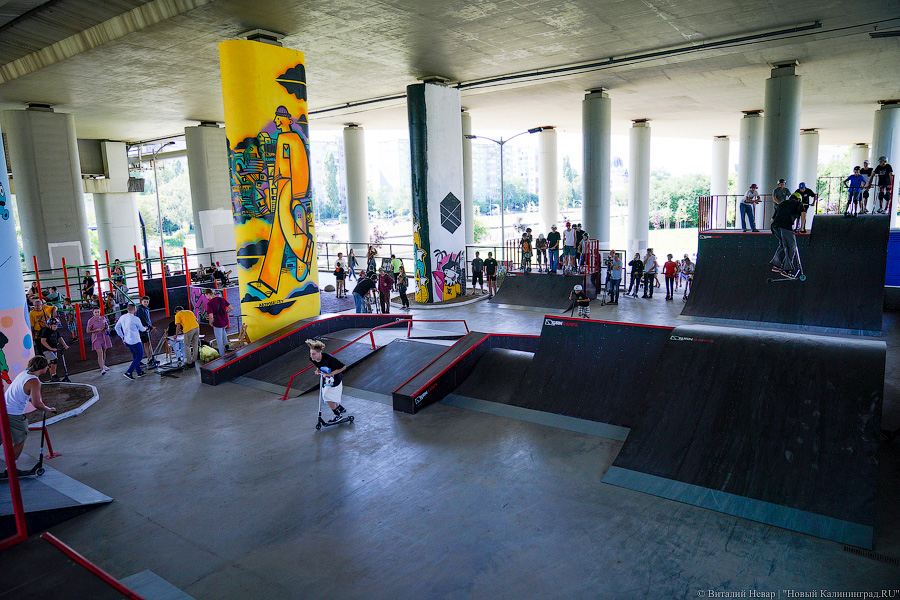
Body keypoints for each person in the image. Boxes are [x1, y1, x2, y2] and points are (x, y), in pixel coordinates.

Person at [1, 356, 54, 473]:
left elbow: (22, 393)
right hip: (14, 414)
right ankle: (11, 469)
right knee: (20, 440)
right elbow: (36, 403)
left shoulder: (24, 374)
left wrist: (30, 400)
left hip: (3, 409)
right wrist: (47, 409)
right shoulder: (34, 381)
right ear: (43, 368)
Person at [306, 339, 348, 422]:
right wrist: (318, 370)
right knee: (328, 395)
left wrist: (330, 374)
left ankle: (338, 415)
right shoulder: (312, 359)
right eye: (311, 353)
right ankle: (339, 408)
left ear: (319, 353)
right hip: (327, 379)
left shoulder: (328, 358)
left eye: (313, 354)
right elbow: (319, 364)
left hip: (335, 379)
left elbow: (343, 367)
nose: (311, 356)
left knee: (326, 397)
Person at [770, 192, 804, 278]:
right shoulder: (799, 204)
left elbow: (772, 219)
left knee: (783, 244)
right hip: (785, 226)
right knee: (791, 247)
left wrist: (796, 227)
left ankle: (776, 265)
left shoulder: (783, 203)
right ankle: (786, 270)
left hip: (775, 226)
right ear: (799, 199)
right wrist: (802, 228)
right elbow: (803, 214)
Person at [115, 304, 148, 379]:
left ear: (127, 309)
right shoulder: (136, 319)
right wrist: (145, 328)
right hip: (135, 340)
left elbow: (117, 327)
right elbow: (142, 329)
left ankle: (139, 372)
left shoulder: (122, 317)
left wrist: (122, 336)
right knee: (139, 357)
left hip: (127, 341)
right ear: (134, 309)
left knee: (135, 356)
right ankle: (129, 372)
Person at [205, 288, 232, 355]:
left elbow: (211, 316)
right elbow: (231, 308)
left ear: (208, 294)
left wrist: (210, 322)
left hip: (217, 322)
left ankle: (222, 354)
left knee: (219, 339)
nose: (206, 297)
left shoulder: (210, 303)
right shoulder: (221, 299)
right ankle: (227, 345)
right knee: (223, 331)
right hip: (225, 320)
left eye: (206, 295)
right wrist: (225, 312)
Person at [86, 307, 112, 374]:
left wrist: (107, 328)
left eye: (98, 312)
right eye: (95, 312)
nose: (97, 313)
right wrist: (95, 330)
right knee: (99, 353)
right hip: (96, 338)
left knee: (104, 351)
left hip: (104, 336)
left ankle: (103, 364)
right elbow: (88, 331)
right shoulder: (90, 321)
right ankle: (102, 368)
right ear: (93, 313)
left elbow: (107, 325)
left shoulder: (103, 318)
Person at [136, 295, 156, 367]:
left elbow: (148, 320)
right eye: (144, 302)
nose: (146, 303)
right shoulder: (140, 309)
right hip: (143, 329)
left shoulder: (146, 309)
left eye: (147, 302)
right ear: (142, 301)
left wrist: (150, 327)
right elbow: (143, 320)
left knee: (147, 343)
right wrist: (150, 327)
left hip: (147, 328)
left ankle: (150, 357)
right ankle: (149, 357)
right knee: (146, 343)